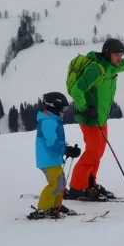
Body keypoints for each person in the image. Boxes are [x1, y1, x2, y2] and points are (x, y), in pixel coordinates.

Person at [64, 38, 124, 201]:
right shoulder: (96, 69)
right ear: (108, 54)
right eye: (116, 55)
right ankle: (77, 187)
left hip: (101, 118)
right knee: (93, 152)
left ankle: (90, 183)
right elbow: (76, 90)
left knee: (98, 152)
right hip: (89, 119)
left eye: (121, 55)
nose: (120, 58)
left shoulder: (113, 66)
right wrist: (84, 109)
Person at [29, 91, 82, 219]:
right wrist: (66, 150)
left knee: (61, 183)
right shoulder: (47, 122)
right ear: (53, 107)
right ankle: (44, 208)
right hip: (49, 159)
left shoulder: (52, 119)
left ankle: (55, 205)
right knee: (56, 184)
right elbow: (51, 143)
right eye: (63, 109)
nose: (64, 112)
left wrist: (66, 149)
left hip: (53, 158)